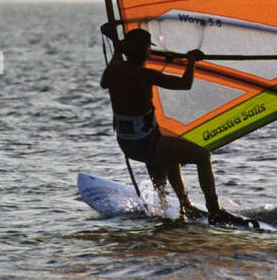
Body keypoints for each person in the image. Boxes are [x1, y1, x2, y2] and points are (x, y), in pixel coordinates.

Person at [100, 25, 257, 228]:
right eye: (148, 48)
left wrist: (118, 47)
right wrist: (191, 61)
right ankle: (215, 210)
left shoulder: (113, 70)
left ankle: (185, 206)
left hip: (128, 144)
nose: (150, 52)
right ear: (143, 51)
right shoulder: (145, 75)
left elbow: (109, 77)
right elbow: (185, 83)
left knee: (171, 154)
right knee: (202, 155)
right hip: (146, 144)